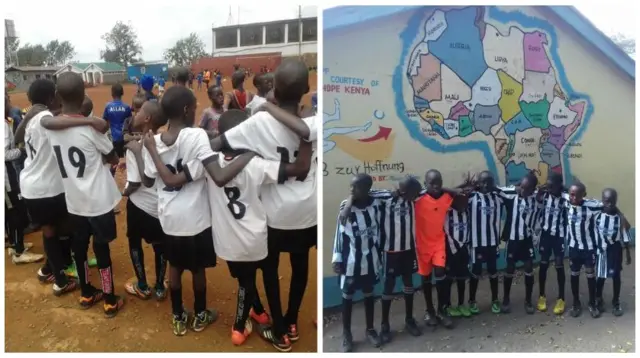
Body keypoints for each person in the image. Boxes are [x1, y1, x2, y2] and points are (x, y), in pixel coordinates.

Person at [210, 59, 318, 351]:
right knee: (300, 265)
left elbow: (219, 144)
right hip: (308, 213)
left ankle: (279, 327)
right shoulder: (316, 121)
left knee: (270, 271)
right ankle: (292, 320)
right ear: (307, 89)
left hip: (273, 215)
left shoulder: (258, 121)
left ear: (274, 91)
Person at [139, 85, 256, 336]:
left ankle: (178, 316)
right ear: (186, 109)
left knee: (175, 267)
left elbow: (148, 181)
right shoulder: (196, 136)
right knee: (197, 269)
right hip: (196, 219)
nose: (195, 110)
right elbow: (217, 175)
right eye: (193, 106)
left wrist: (146, 151)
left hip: (169, 218)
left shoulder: (154, 141)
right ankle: (200, 314)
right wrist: (249, 154)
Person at [40, 72, 124, 317]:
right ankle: (109, 299)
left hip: (74, 202)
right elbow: (113, 157)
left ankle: (86, 293)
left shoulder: (52, 129)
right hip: (98, 202)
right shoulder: (92, 130)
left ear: (57, 97)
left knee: (79, 248)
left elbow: (49, 122)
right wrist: (89, 122)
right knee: (102, 249)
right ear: (84, 95)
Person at [15, 79, 83, 292]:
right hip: (47, 188)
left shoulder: (31, 118)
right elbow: (53, 121)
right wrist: (86, 121)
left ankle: (48, 269)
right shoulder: (44, 117)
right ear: (51, 97)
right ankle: (61, 281)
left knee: (52, 230)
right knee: (62, 229)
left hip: (32, 186)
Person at [341, 176, 422, 341]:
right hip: (390, 250)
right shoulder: (385, 196)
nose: (416, 197)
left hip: (409, 249)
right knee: (389, 285)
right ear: (405, 192)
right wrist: (348, 202)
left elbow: (430, 190)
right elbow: (362, 194)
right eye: (413, 194)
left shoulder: (415, 197)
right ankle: (385, 325)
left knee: (409, 283)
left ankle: (409, 320)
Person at [122, 101, 168, 301]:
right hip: (159, 207)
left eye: (140, 111)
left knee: (134, 242)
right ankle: (159, 286)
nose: (136, 113)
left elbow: (134, 183)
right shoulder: (165, 142)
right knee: (160, 245)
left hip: (139, 206)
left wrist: (124, 192)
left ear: (147, 118)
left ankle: (142, 284)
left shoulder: (134, 147)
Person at [333, 174, 382, 353]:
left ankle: (370, 329)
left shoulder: (376, 204)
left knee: (369, 293)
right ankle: (346, 334)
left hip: (371, 259)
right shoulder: (345, 208)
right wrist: (337, 257)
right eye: (351, 187)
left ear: (367, 189)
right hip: (351, 259)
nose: (351, 190)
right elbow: (339, 234)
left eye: (356, 188)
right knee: (348, 294)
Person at [414, 170, 468, 327]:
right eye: (432, 183)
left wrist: (448, 190)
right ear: (425, 184)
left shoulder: (446, 198)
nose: (436, 186)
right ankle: (429, 311)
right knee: (425, 279)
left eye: (439, 182)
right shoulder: (418, 199)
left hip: (438, 244)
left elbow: (462, 198)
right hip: (422, 245)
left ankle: (442, 310)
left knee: (441, 274)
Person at [5, 94, 43, 264]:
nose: (9, 104)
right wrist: (21, 151)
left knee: (11, 212)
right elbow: (4, 154)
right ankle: (18, 253)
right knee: (16, 212)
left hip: (9, 176)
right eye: (6, 101)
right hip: (7, 178)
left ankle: (15, 244)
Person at [500, 172, 541, 314]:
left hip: (527, 240)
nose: (522, 191)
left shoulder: (536, 198)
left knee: (529, 268)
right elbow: (496, 190)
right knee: (509, 268)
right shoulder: (512, 195)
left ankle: (528, 300)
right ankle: (505, 299)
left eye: (526, 189)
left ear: (533, 189)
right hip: (513, 239)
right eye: (521, 187)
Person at [466, 171, 506, 314]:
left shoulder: (498, 198)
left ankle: (495, 299)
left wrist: (496, 188)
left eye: (490, 182)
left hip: (492, 242)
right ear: (479, 183)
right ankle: (471, 300)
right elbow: (455, 197)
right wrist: (470, 187)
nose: (486, 185)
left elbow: (513, 193)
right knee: (476, 272)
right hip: (477, 243)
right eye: (483, 182)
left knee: (493, 271)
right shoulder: (472, 198)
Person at [564, 180, 604, 318]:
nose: (573, 198)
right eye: (571, 195)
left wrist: (621, 216)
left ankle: (592, 303)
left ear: (584, 195)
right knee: (574, 275)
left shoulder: (592, 206)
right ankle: (576, 303)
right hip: (573, 248)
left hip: (588, 248)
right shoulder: (566, 201)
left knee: (590, 275)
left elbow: (609, 206)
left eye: (577, 195)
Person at [594, 188, 631, 316]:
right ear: (602, 200)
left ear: (616, 201)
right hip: (601, 251)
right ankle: (598, 298)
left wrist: (628, 253)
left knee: (616, 276)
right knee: (601, 275)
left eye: (612, 201)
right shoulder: (597, 215)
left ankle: (616, 301)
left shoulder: (619, 219)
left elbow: (625, 233)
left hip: (615, 250)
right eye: (606, 201)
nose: (609, 204)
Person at [535, 172, 569, 314]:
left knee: (559, 265)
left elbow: (579, 201)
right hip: (546, 235)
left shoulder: (565, 198)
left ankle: (561, 298)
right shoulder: (545, 195)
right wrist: (540, 193)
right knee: (543, 265)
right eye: (547, 186)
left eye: (551, 186)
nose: (549, 189)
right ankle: (541, 296)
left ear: (559, 186)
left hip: (558, 236)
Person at [103, 84, 132, 160]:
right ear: (122, 93)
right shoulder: (127, 107)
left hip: (114, 138)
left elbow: (105, 122)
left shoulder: (108, 107)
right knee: (127, 159)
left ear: (112, 93)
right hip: (125, 138)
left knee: (116, 160)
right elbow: (130, 122)